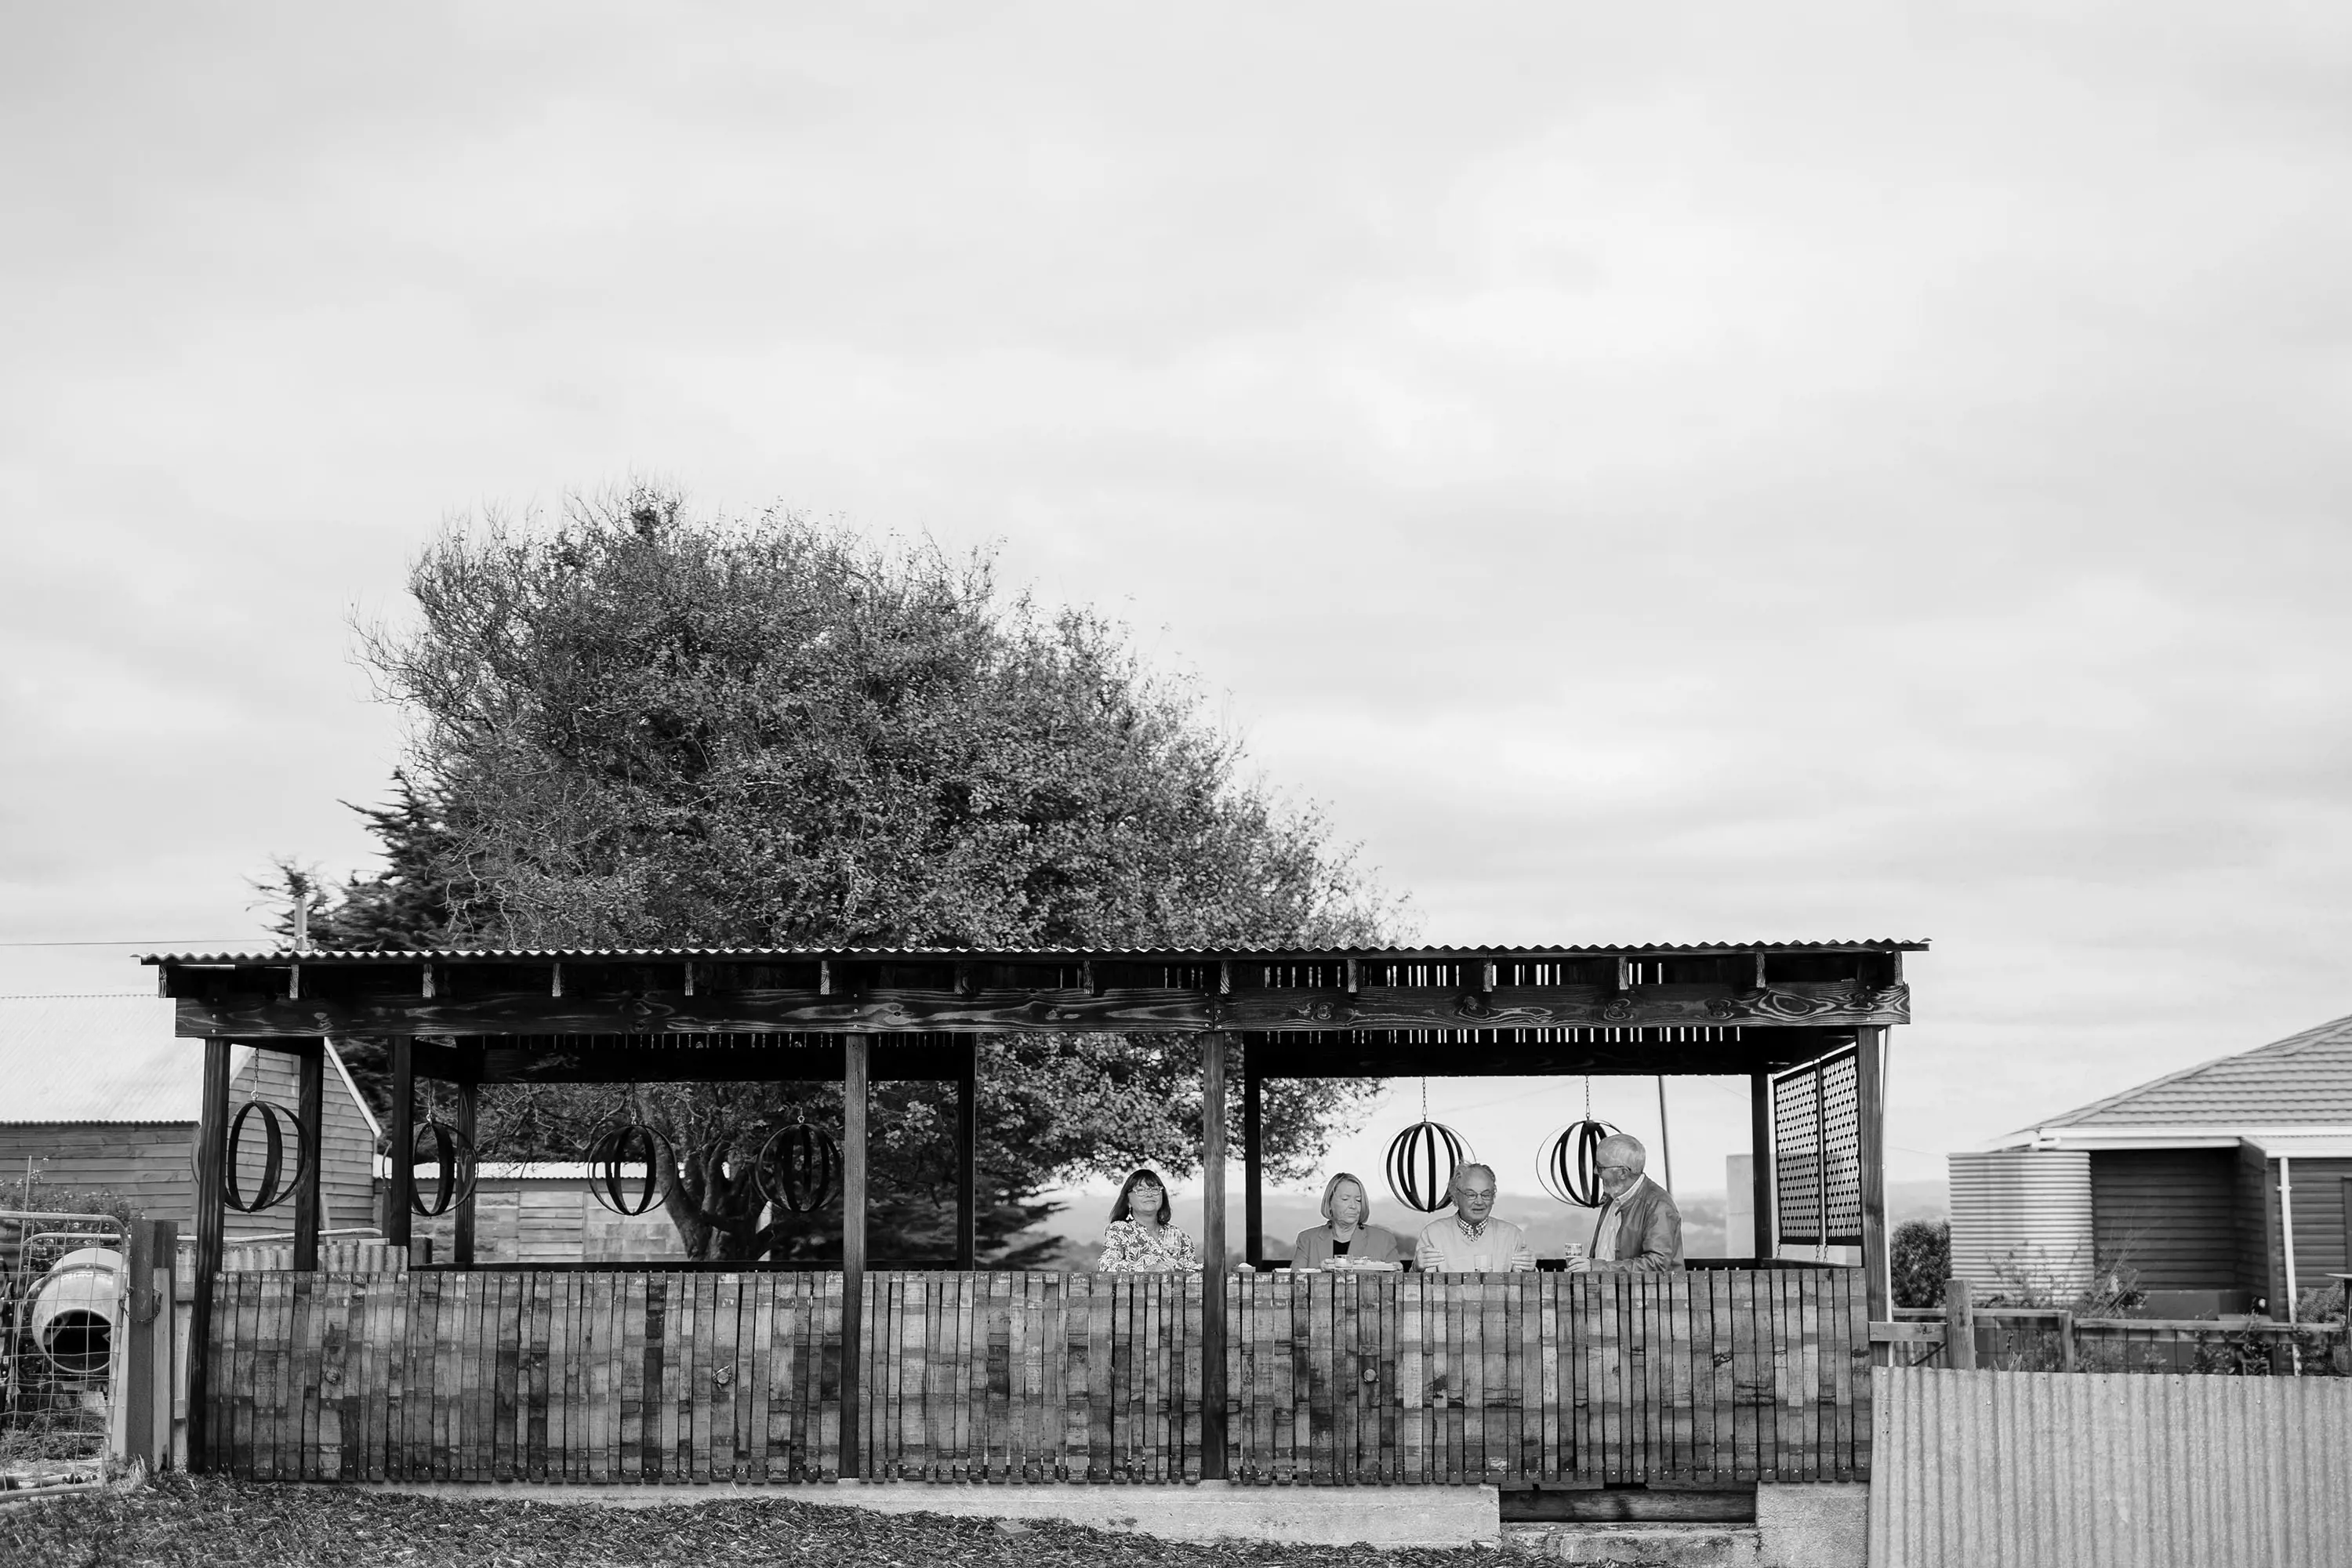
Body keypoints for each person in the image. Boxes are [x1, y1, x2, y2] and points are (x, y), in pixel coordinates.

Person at [1567, 1133, 1684, 1272]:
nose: (1595, 1172)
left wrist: (1597, 1268)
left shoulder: (1659, 1205)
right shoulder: (1613, 1195)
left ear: (1623, 1173)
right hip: (1609, 1292)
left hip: (1647, 1294)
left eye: (1600, 1167)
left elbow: (1656, 1264)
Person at [1413, 1163, 1535, 1272]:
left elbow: (1528, 1290)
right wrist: (1416, 1269)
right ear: (1455, 1196)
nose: (1479, 1201)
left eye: (1486, 1195)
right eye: (1471, 1195)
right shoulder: (1433, 1234)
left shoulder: (1513, 1235)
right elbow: (1418, 1292)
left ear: (1493, 1197)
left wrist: (1530, 1272)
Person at [1291, 1172, 1405, 1268]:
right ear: (1329, 1202)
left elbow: (1395, 1288)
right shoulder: (1307, 1239)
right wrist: (1320, 1273)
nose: (1353, 1206)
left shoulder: (1383, 1240)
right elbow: (1295, 1286)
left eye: (1358, 1200)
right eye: (1345, 1199)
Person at [1098, 1167, 1200, 1273]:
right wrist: (1147, 1270)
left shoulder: (1179, 1235)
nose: (1149, 1194)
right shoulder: (1120, 1231)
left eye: (1155, 1189)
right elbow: (1107, 1265)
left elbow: (1193, 1273)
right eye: (1141, 1190)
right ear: (1128, 1201)